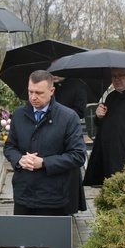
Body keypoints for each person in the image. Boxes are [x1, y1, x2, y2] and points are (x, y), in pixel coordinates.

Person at [4, 70, 86, 216]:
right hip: (23, 193)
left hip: (53, 196)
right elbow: (10, 146)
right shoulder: (19, 114)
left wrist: (43, 163)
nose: (33, 97)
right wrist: (19, 159)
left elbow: (78, 155)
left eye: (39, 93)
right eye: (30, 92)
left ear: (52, 91)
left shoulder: (68, 117)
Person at [51, 71, 88, 215]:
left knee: (69, 167)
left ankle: (71, 206)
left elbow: (80, 111)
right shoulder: (48, 86)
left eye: (58, 71)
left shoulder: (78, 86)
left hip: (68, 131)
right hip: (51, 132)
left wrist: (61, 113)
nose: (54, 74)